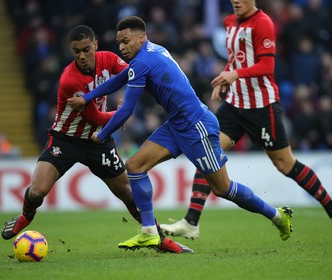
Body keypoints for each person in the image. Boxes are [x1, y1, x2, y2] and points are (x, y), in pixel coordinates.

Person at [67, 15, 293, 251]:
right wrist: (87, 98)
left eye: (126, 41)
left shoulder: (143, 62)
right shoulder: (152, 52)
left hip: (197, 126)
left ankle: (277, 216)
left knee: (222, 188)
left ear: (142, 37)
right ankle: (148, 232)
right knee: (134, 166)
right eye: (119, 43)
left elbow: (127, 110)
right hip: (177, 124)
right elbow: (117, 81)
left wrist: (102, 135)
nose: (121, 47)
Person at [0, 25, 192, 254]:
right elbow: (94, 116)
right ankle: (25, 217)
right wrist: (118, 115)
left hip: (98, 141)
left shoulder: (109, 59)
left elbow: (133, 74)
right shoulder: (69, 80)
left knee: (128, 193)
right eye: (76, 51)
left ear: (95, 46)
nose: (81, 55)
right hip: (66, 139)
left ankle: (159, 239)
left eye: (85, 49)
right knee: (38, 190)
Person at [160, 0, 332, 240]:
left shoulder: (263, 23)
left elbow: (267, 66)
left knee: (285, 164)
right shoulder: (230, 21)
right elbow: (237, 57)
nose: (236, 1)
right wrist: (225, 78)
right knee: (208, 152)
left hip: (262, 106)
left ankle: (329, 206)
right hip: (236, 103)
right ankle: (191, 222)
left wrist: (235, 73)